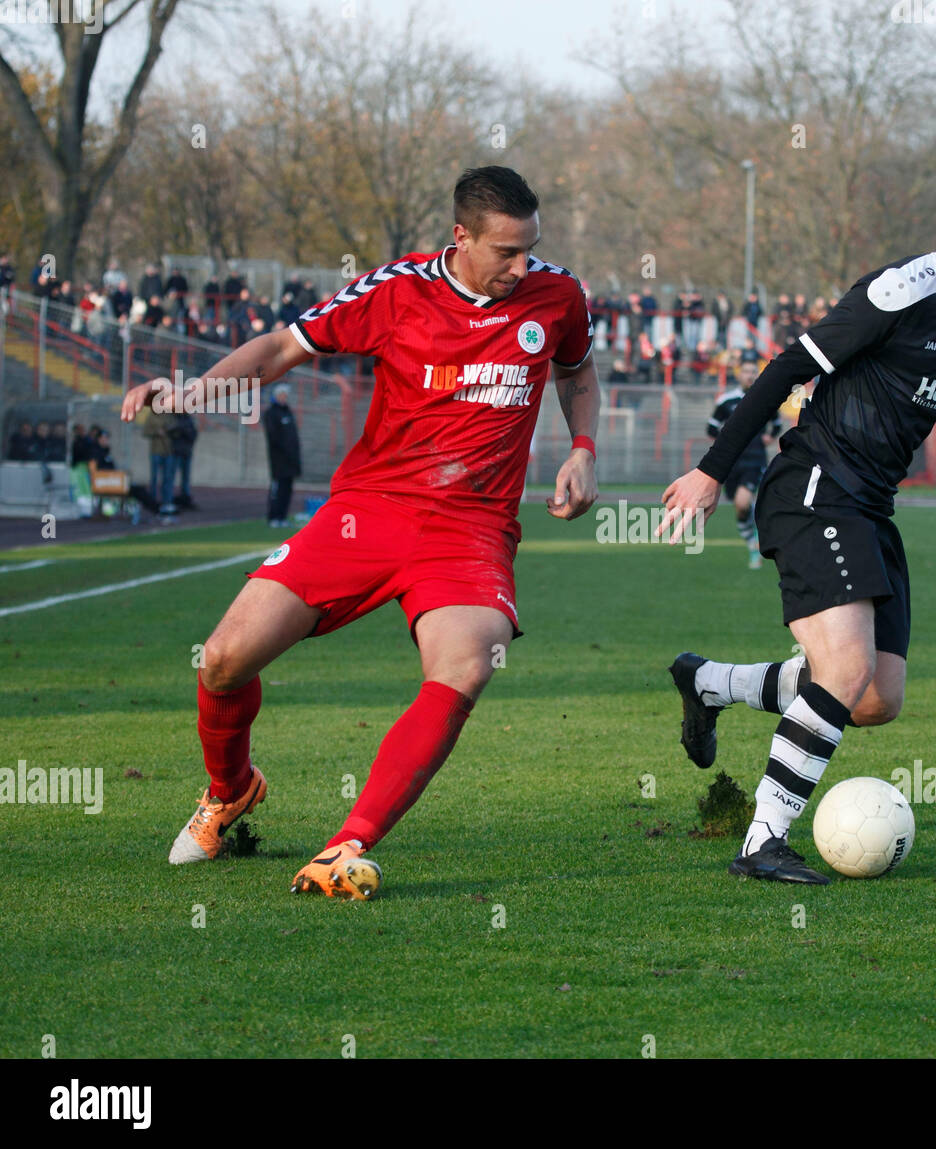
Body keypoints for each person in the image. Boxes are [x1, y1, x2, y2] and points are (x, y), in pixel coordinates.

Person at [119, 166, 598, 900]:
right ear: (460, 237)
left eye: (531, 248)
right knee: (221, 660)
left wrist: (583, 449)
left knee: (465, 665)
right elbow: (282, 350)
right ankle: (230, 790)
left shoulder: (558, 294)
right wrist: (189, 392)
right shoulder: (396, 290)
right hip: (367, 512)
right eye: (506, 252)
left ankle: (347, 843)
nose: (522, 266)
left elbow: (577, 373)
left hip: (471, 529)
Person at [658, 173, 936, 884]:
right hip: (816, 488)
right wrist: (712, 470)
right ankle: (762, 839)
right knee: (843, 672)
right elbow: (789, 366)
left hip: (870, 507)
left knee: (875, 696)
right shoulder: (900, 292)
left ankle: (710, 684)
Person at [707, 360, 780, 569]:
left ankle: (757, 537)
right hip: (732, 462)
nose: (750, 375)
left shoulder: (765, 397)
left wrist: (769, 436)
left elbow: (775, 424)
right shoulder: (726, 401)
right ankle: (752, 543)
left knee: (742, 502)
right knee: (740, 509)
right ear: (739, 374)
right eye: (746, 371)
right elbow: (711, 428)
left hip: (755, 460)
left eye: (753, 372)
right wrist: (726, 441)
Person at [263, 384, 300, 527]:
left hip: (291, 460)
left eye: (286, 395)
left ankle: (283, 516)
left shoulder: (288, 412)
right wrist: (283, 452)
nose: (285, 397)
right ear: (277, 395)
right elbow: (274, 437)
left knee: (287, 489)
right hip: (279, 460)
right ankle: (273, 517)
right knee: (277, 489)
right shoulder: (272, 413)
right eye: (282, 395)